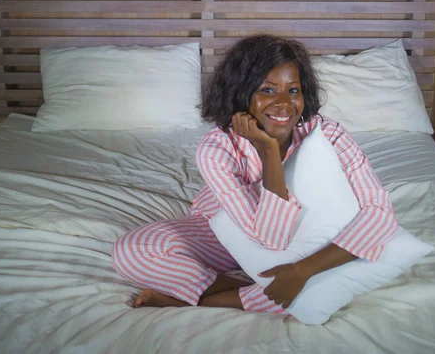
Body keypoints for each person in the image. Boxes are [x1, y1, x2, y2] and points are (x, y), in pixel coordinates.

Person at [112, 34, 399, 313]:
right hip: (225, 233)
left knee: (337, 275)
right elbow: (269, 238)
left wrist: (303, 270)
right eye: (267, 90)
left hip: (308, 240)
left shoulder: (329, 135)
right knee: (133, 252)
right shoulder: (216, 148)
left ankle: (202, 300)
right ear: (241, 93)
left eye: (294, 90)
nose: (284, 103)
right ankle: (268, 288)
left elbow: (380, 213)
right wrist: (268, 150)